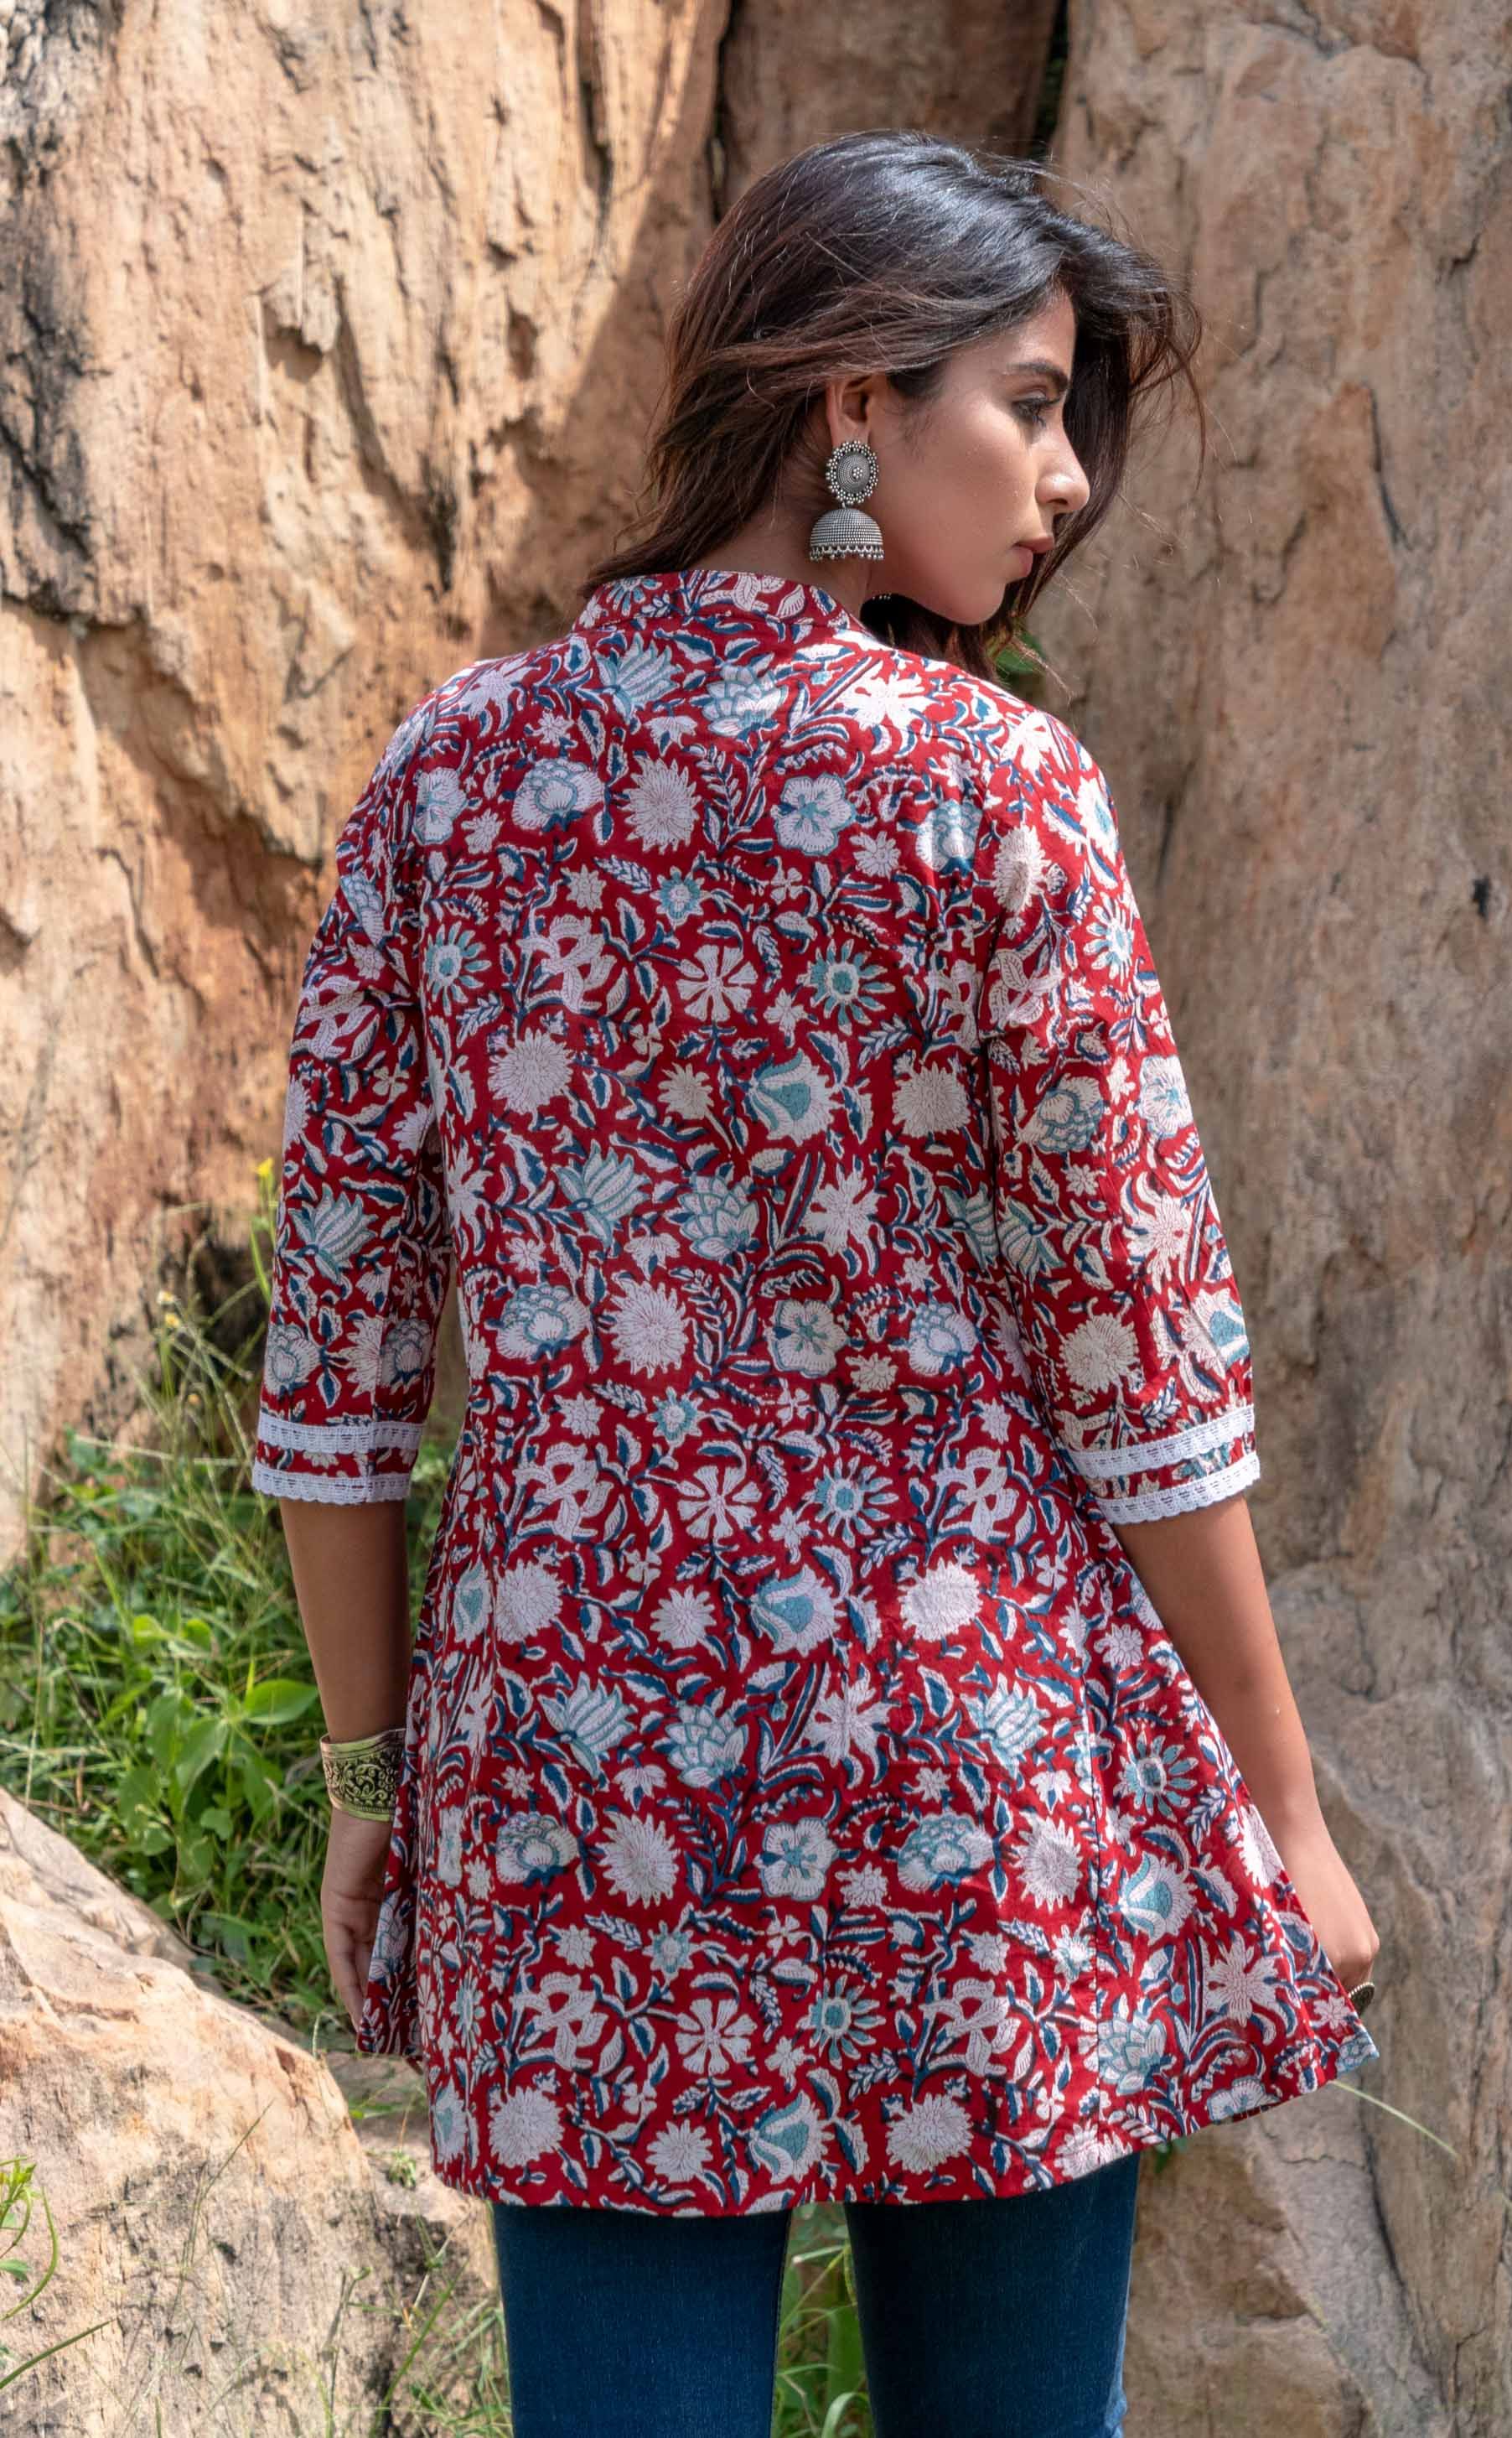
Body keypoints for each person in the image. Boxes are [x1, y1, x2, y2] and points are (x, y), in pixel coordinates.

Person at [252, 128, 1381, 2438]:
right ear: (849, 406)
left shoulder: (449, 781)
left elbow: (340, 1378)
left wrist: (377, 1776)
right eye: (1030, 401)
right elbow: (1140, 1374)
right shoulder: (997, 793)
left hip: (579, 1808)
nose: (1061, 478)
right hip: (975, 1803)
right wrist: (1279, 1811)